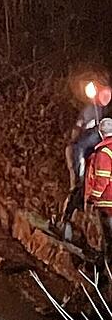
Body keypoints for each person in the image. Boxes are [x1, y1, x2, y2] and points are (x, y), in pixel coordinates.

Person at [60, 86, 112, 229]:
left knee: (80, 188)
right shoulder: (91, 112)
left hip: (90, 164)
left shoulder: (99, 114)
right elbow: (78, 132)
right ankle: (66, 220)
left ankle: (68, 221)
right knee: (77, 187)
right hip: (82, 157)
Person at [85, 118, 112, 247]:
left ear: (101, 133)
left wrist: (92, 197)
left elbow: (103, 179)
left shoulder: (104, 152)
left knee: (109, 241)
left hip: (108, 203)